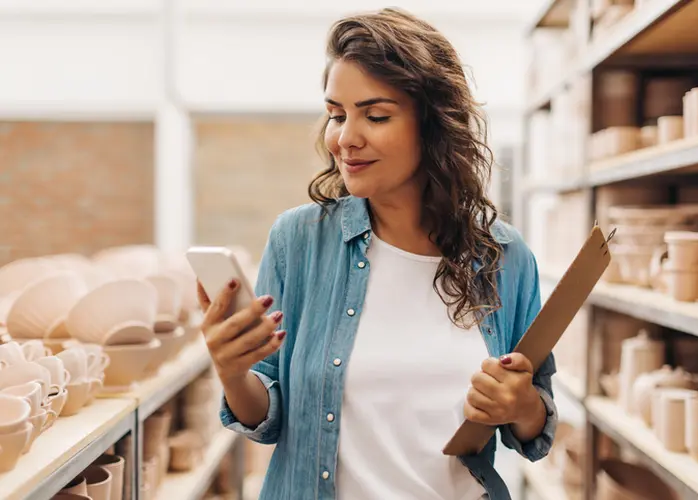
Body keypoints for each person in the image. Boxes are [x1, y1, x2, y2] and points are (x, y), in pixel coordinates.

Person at [197, 7, 557, 500]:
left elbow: (535, 428)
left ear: (433, 125)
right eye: (337, 115)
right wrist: (233, 370)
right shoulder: (298, 241)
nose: (346, 138)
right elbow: (266, 416)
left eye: (376, 115)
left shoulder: (506, 257)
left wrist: (521, 405)